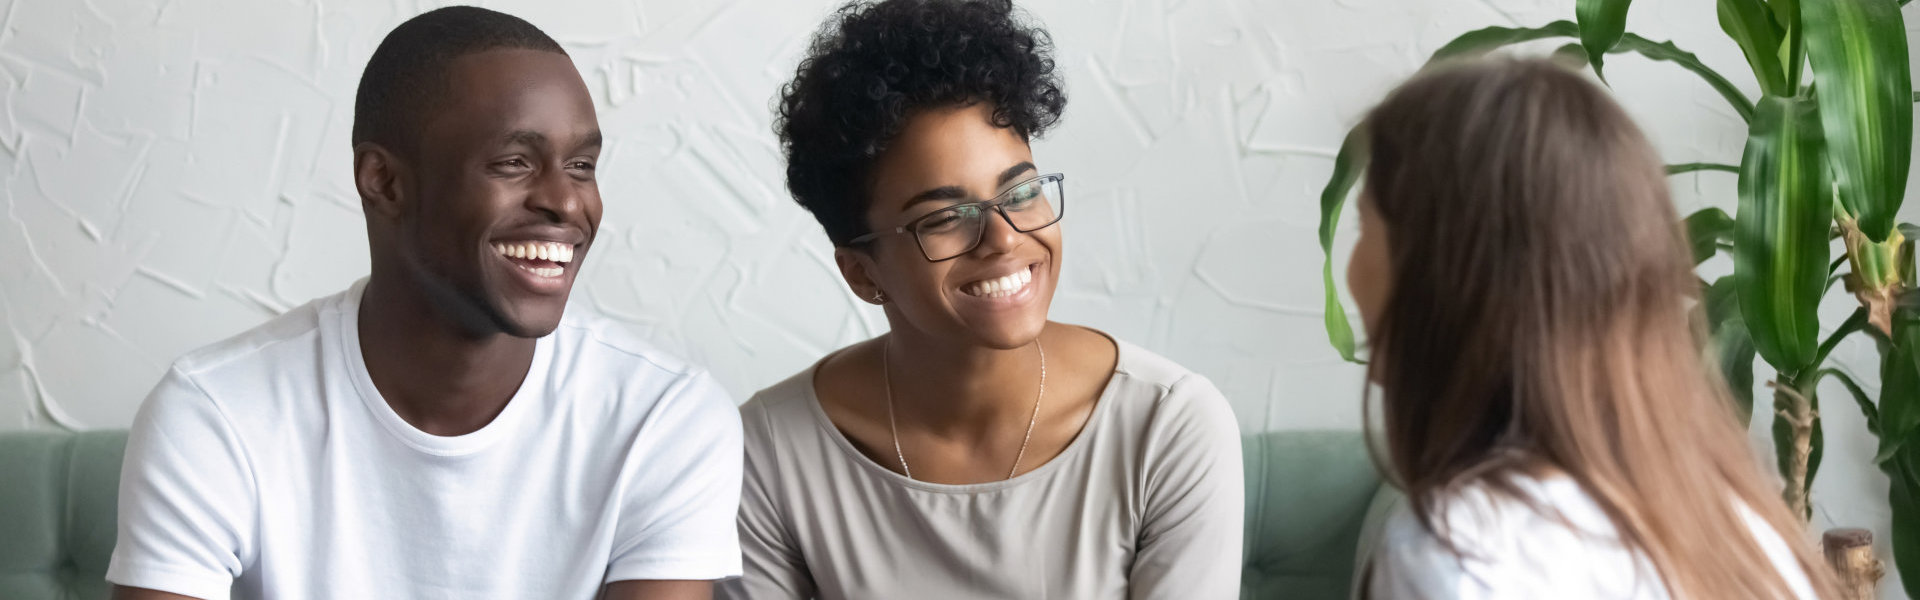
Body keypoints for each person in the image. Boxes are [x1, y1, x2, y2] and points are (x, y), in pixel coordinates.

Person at [107, 7, 741, 599]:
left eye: (580, 165)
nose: (566, 203)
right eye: (515, 162)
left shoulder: (664, 419)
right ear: (383, 182)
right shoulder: (215, 415)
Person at [716, 1, 1244, 598]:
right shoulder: (768, 454)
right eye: (945, 216)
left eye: (1019, 191)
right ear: (862, 273)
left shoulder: (1167, 426)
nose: (1004, 238)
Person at [1346, 58, 1838, 599]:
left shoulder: (1452, 557)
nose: (1350, 269)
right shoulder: (1746, 531)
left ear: (1445, 269)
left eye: (1365, 225)